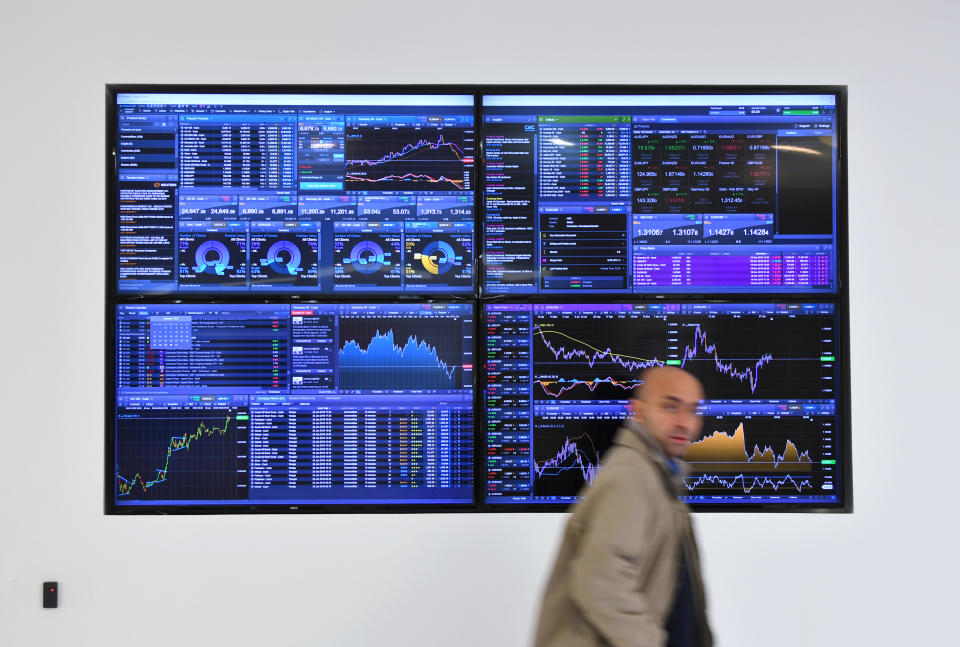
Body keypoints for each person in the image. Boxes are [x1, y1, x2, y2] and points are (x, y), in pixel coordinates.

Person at [533, 366, 713, 647]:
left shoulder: (661, 478)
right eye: (670, 406)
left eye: (692, 410)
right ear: (638, 411)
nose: (684, 423)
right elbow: (602, 584)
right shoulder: (630, 477)